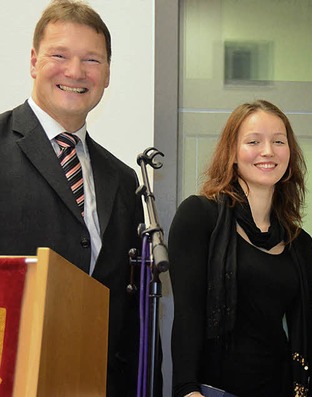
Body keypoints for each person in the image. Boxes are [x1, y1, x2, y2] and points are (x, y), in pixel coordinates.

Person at [0, 1, 145, 395]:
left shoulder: (123, 179)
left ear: (108, 73)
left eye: (92, 60)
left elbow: (129, 313)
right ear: (33, 61)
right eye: (59, 55)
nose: (76, 72)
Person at [169, 99, 312, 397]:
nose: (268, 151)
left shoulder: (299, 243)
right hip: (213, 389)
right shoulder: (199, 217)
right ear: (232, 153)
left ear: (289, 154)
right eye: (254, 141)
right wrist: (187, 389)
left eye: (278, 141)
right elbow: (187, 315)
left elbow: (308, 340)